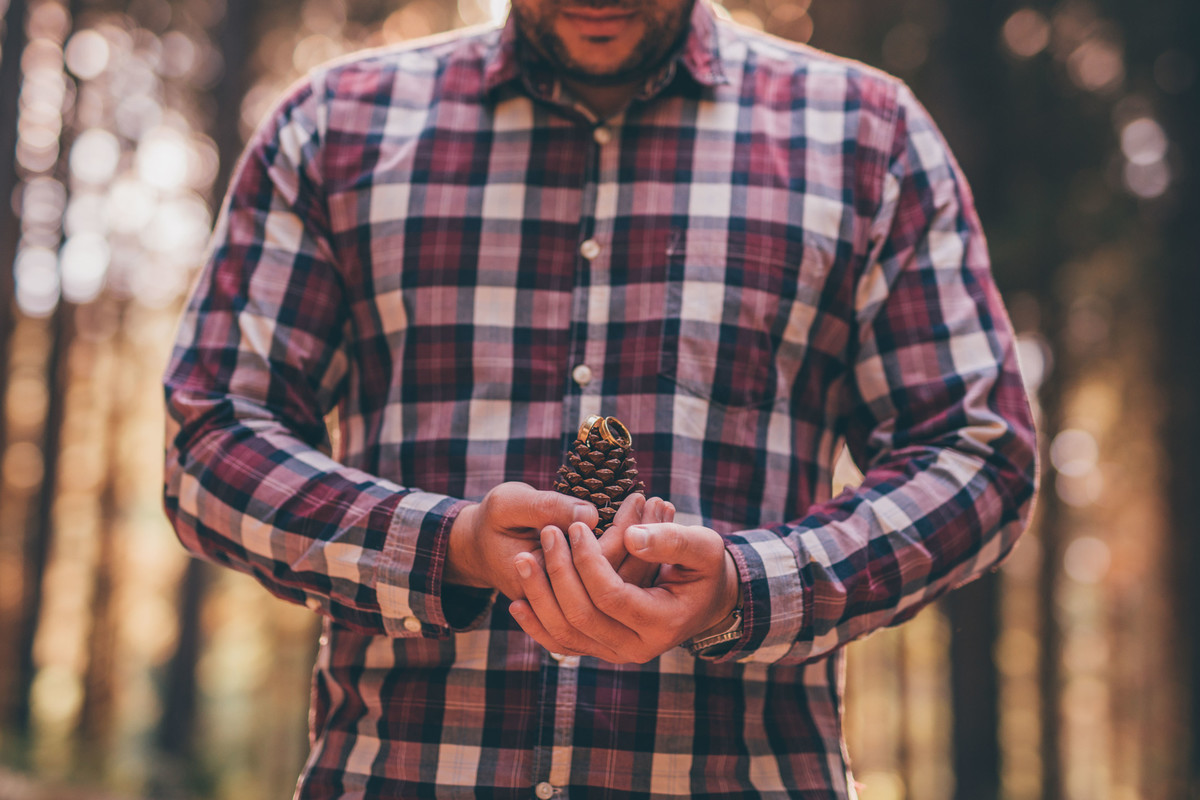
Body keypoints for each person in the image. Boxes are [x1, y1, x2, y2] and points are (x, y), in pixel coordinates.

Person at [162, 0, 1038, 796]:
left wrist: (748, 588)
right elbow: (211, 438)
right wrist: (445, 548)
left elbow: (978, 449)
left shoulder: (867, 136)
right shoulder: (334, 126)